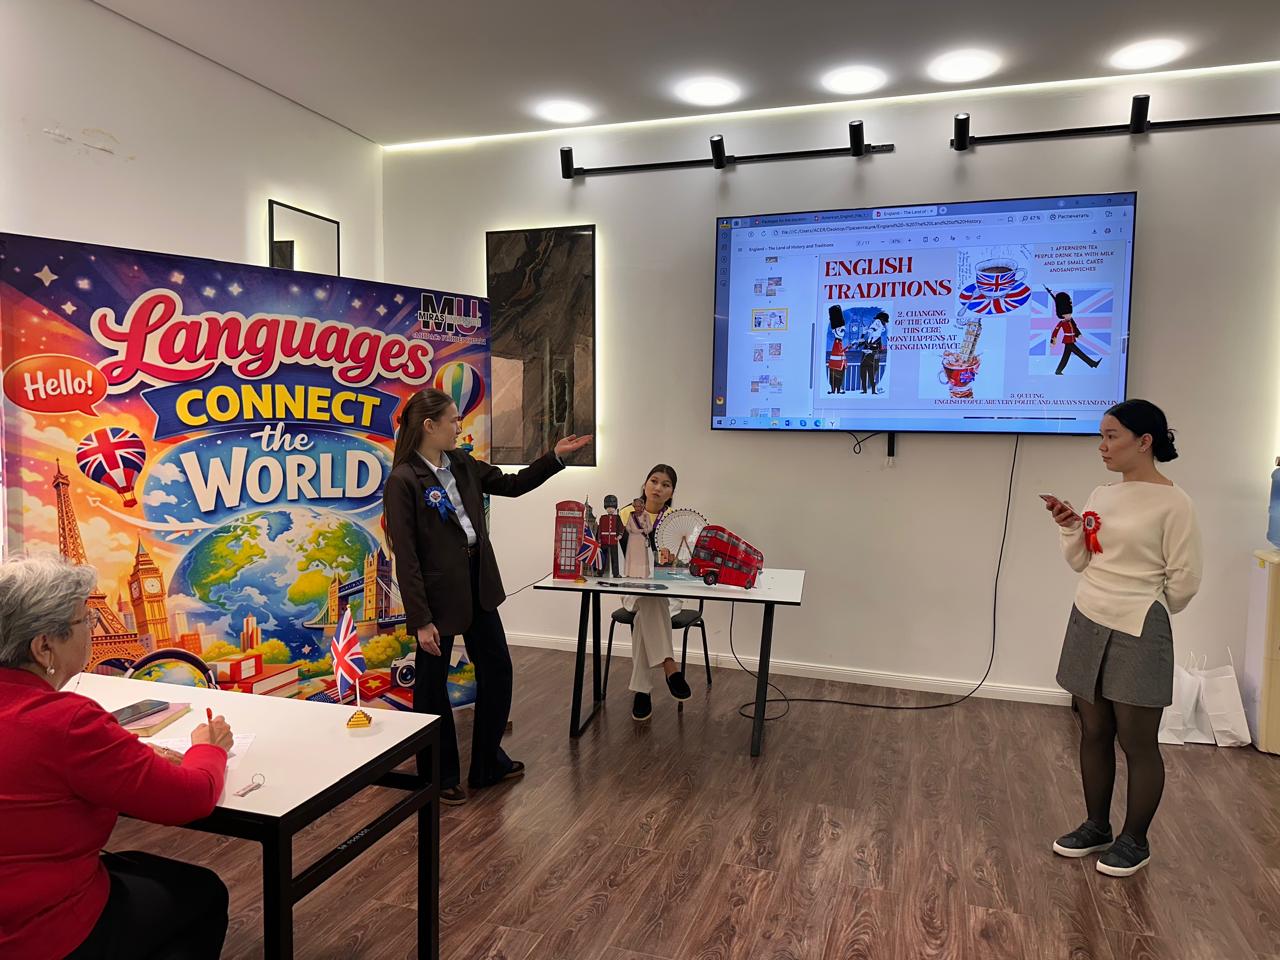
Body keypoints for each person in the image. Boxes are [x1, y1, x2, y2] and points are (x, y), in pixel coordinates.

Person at [0, 555, 234, 960]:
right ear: (44, 646)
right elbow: (191, 798)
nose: (93, 630)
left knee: (138, 866)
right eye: (85, 621)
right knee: (204, 891)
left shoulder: (63, 726)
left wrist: (118, 750)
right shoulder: (68, 721)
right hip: (37, 933)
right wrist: (209, 748)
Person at [382, 387, 590, 805]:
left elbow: (512, 485)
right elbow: (406, 556)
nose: (460, 426)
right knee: (432, 689)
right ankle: (439, 776)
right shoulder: (404, 480)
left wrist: (555, 457)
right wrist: (421, 619)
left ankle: (487, 763)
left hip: (478, 583)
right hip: (437, 597)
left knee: (498, 670)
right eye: (454, 420)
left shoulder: (461, 463)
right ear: (430, 426)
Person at [1045, 399, 1201, 877]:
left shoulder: (1175, 503)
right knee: (1093, 731)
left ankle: (1135, 840)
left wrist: (1148, 603)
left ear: (1144, 441)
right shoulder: (1101, 493)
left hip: (1139, 626)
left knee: (1138, 741)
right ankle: (1097, 826)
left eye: (1111, 436)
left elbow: (1185, 578)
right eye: (1102, 436)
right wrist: (1070, 528)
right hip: (1088, 616)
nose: (1102, 445)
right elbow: (1083, 560)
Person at [618, 464, 691, 721]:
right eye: (654, 481)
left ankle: (642, 691)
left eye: (665, 484)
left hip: (668, 593)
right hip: (632, 589)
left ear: (672, 493)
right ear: (645, 484)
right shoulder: (625, 515)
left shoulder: (676, 521)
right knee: (648, 599)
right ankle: (670, 667)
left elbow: (685, 564)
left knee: (646, 611)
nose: (658, 488)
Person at [1048, 288, 1100, 374]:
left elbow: (1075, 327)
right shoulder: (1062, 322)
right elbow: (1055, 332)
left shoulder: (1071, 320)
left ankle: (1058, 371)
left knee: (1066, 356)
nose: (1069, 315)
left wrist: (1078, 334)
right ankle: (1092, 363)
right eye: (1066, 314)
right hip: (1068, 340)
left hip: (1072, 339)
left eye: (1069, 313)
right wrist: (1052, 341)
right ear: (1062, 315)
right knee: (1079, 353)